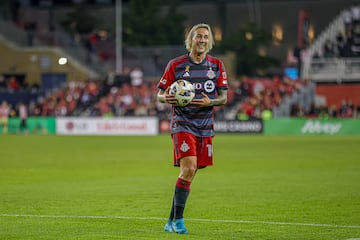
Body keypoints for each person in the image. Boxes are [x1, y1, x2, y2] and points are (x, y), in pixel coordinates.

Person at [156, 23, 228, 234]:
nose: (202, 40)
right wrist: (165, 97)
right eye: (198, 36)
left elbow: (223, 97)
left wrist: (210, 103)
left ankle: (170, 220)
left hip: (205, 127)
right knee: (188, 169)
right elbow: (158, 94)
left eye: (206, 37)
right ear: (191, 40)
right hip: (183, 124)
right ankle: (179, 222)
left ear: (210, 41)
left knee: (191, 171)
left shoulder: (216, 66)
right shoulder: (176, 65)